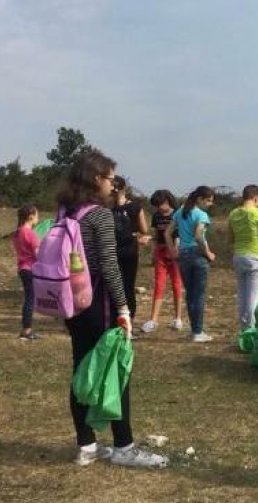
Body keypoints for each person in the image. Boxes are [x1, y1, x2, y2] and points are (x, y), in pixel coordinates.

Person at [57, 150, 168, 469]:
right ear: (96, 179)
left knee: (81, 369)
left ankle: (86, 445)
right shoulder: (99, 215)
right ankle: (123, 446)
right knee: (117, 370)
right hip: (99, 304)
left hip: (72, 303)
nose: (113, 184)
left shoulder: (66, 210)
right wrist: (123, 307)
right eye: (109, 178)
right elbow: (109, 264)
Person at [167, 186, 217, 343]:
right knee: (199, 294)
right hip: (198, 255)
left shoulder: (181, 211)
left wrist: (173, 251)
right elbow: (198, 235)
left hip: (183, 254)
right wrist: (208, 253)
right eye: (208, 200)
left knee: (190, 294)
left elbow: (167, 232)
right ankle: (198, 331)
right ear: (200, 199)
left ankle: (194, 330)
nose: (210, 204)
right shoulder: (201, 215)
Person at [229, 185, 258, 332]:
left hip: (238, 256)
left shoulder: (233, 214)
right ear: (256, 198)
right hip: (255, 256)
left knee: (242, 294)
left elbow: (230, 238)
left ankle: (243, 327)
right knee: (254, 295)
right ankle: (251, 327)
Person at [110, 176, 150, 336]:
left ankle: (129, 321)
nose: (113, 192)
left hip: (129, 251)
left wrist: (139, 237)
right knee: (112, 286)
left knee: (127, 286)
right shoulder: (107, 207)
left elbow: (144, 229)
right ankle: (113, 321)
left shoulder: (134, 207)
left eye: (115, 189)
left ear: (122, 189)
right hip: (112, 251)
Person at [142, 189, 183, 333]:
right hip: (160, 253)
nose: (158, 208)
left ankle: (178, 318)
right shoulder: (156, 216)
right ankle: (153, 320)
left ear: (167, 201)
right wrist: (153, 252)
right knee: (159, 285)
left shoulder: (177, 215)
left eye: (160, 204)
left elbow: (178, 235)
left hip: (175, 253)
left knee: (176, 285)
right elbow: (155, 235)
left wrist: (175, 252)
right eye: (156, 205)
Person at [12, 205, 41, 340]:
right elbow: (38, 254)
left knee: (28, 298)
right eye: (36, 215)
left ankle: (26, 328)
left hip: (22, 269)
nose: (38, 218)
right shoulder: (29, 233)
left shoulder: (18, 233)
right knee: (30, 299)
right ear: (31, 216)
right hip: (30, 269)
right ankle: (27, 330)